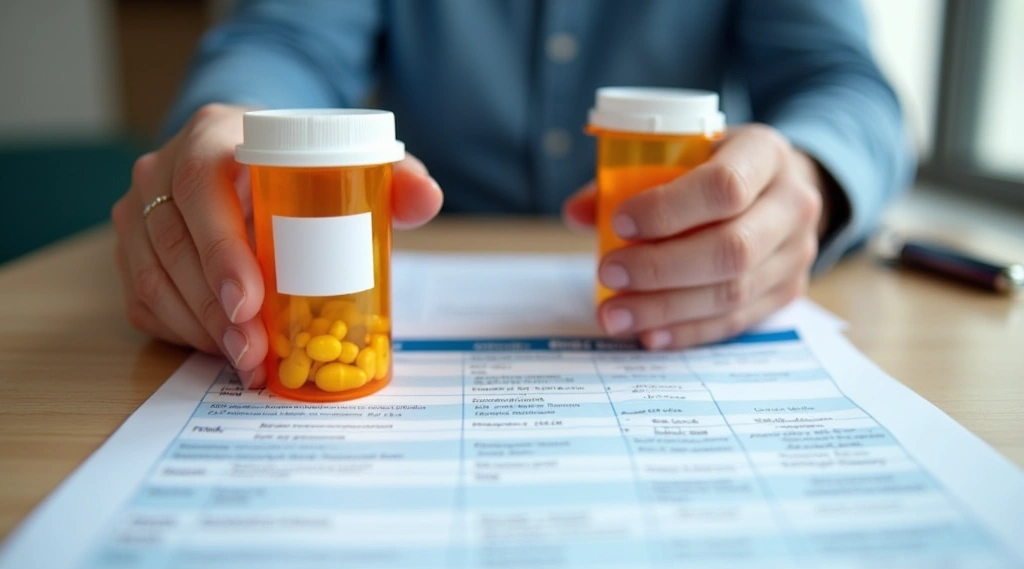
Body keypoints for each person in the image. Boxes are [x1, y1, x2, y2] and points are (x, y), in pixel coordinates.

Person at [111, 0, 913, 385]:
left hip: (689, 267)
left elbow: (845, 83)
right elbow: (281, 39)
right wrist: (232, 145)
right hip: (421, 244)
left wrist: (809, 175)